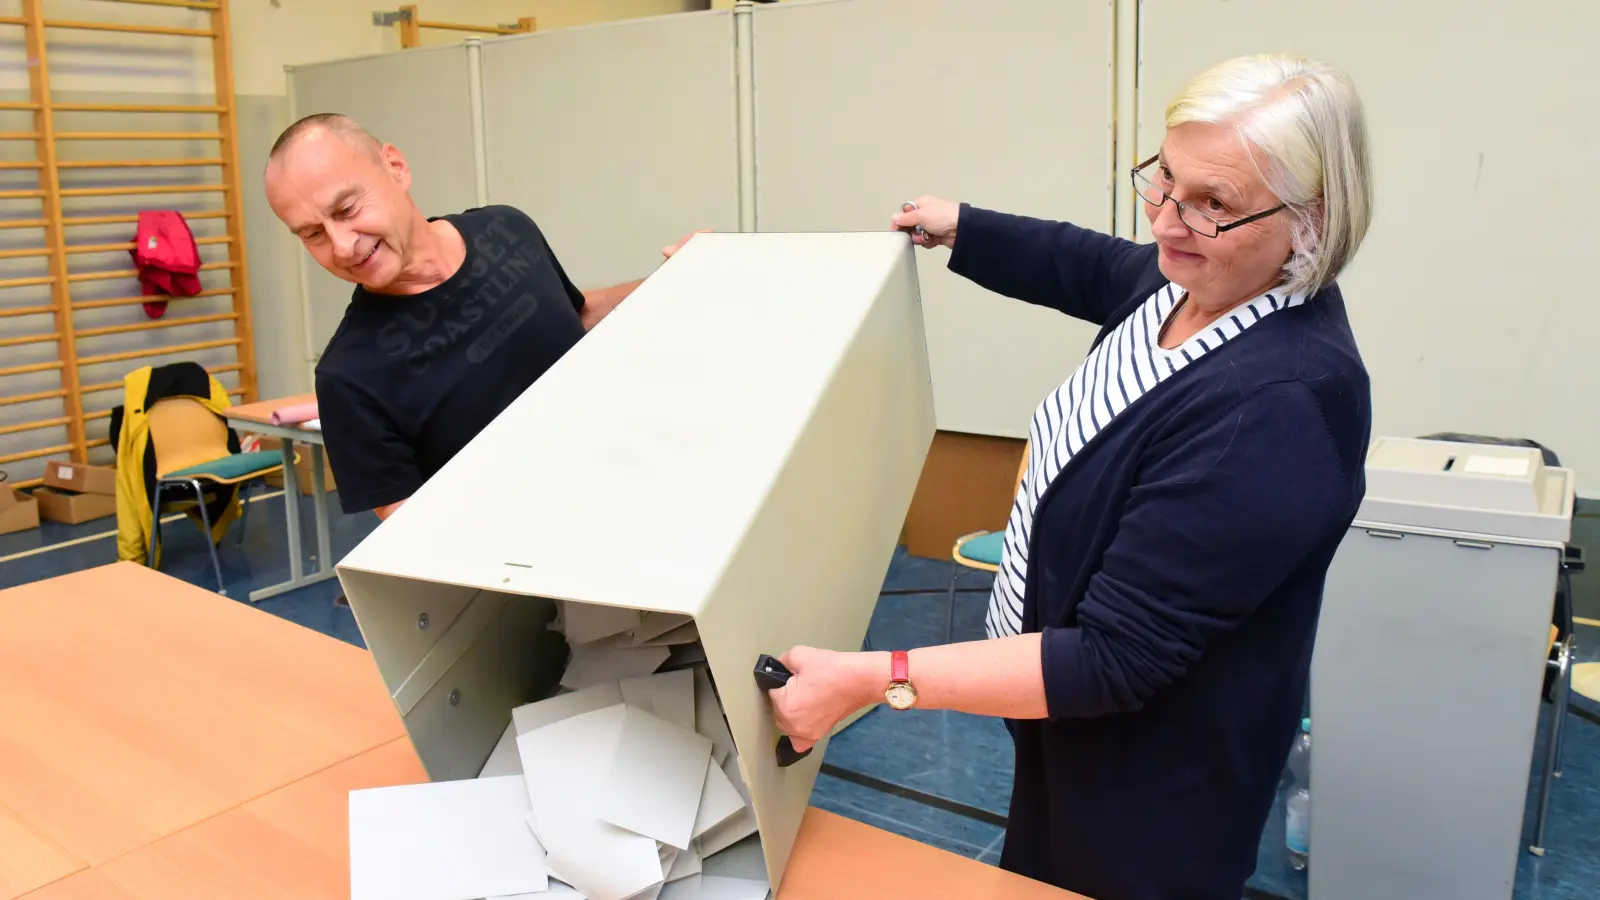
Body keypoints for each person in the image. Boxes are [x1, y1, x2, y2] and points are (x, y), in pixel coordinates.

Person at [767, 53, 1374, 900]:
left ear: (1309, 219)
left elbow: (1115, 659)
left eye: (1213, 204)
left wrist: (880, 679)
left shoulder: (1277, 407)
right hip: (1066, 727)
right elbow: (1088, 263)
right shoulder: (1193, 283)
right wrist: (965, 227)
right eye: (1164, 181)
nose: (1168, 223)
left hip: (1152, 776)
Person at [263, 113, 700, 520]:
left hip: (642, 490)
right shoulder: (349, 376)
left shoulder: (506, 228)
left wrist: (683, 276)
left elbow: (574, 316)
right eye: (313, 234)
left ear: (395, 167)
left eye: (346, 210)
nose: (341, 246)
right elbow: (412, 534)